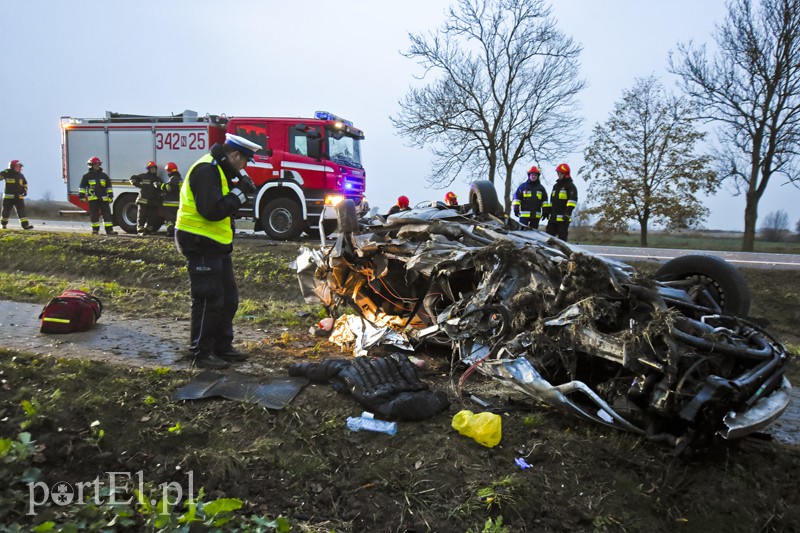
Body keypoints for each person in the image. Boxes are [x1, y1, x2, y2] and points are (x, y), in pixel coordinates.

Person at [175, 133, 261, 369]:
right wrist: (239, 193)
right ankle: (201, 353)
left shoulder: (218, 170)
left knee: (228, 299)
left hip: (215, 245)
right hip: (200, 243)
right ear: (234, 155)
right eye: (244, 161)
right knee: (208, 299)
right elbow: (211, 211)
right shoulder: (206, 170)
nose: (244, 167)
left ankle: (222, 346)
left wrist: (237, 193)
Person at [79, 157, 117, 235]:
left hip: (104, 199)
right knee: (94, 215)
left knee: (107, 215)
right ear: (91, 165)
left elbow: (109, 187)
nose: (97, 166)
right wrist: (82, 196)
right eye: (95, 164)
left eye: (98, 164)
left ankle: (109, 230)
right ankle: (95, 230)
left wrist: (110, 196)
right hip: (93, 199)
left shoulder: (104, 176)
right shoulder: (86, 176)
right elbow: (82, 187)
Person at [544, 163, 578, 241]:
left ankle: (563, 253)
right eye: (558, 173)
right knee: (547, 239)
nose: (559, 174)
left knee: (562, 240)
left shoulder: (570, 186)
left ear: (566, 174)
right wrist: (547, 211)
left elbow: (572, 201)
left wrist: (567, 213)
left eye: (561, 173)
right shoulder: (555, 186)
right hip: (552, 219)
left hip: (563, 219)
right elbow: (553, 202)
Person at [130, 161, 163, 235]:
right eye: (151, 168)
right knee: (142, 216)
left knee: (152, 216)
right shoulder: (144, 176)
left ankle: (148, 230)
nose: (153, 169)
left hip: (152, 201)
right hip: (143, 200)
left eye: (154, 168)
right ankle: (140, 230)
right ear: (148, 169)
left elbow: (161, 189)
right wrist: (136, 184)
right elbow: (133, 178)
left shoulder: (158, 179)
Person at [1, 160, 33, 230]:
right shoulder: (7, 173)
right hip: (8, 198)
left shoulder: (21, 175)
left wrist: (24, 190)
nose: (19, 168)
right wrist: (3, 172)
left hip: (19, 197)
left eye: (20, 167)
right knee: (5, 212)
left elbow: (25, 184)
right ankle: (3, 225)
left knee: (22, 212)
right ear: (12, 167)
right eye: (18, 166)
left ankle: (25, 226)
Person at [159, 162, 182, 238]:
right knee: (175, 219)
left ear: (170, 170)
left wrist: (160, 185)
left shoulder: (174, 178)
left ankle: (170, 232)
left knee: (169, 220)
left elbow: (169, 188)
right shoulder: (179, 178)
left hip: (171, 203)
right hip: (177, 203)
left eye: (168, 171)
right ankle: (176, 232)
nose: (167, 172)